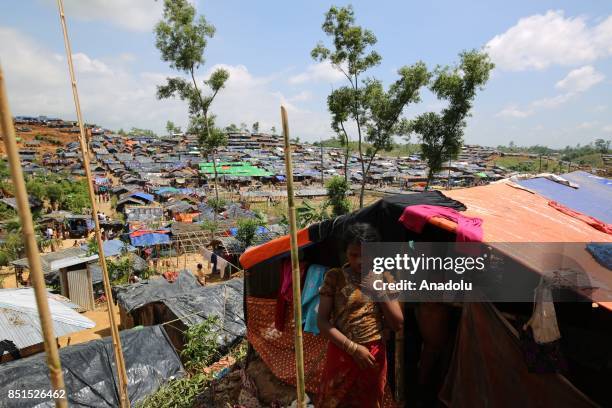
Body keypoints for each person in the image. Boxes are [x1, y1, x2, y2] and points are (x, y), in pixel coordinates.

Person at [317, 223, 403, 407]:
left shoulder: (384, 277)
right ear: (345, 254)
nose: (359, 261)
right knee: (334, 401)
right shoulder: (335, 277)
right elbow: (322, 322)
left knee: (368, 402)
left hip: (372, 356)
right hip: (342, 352)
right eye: (353, 255)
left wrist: (378, 291)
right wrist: (354, 349)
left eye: (365, 255)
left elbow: (397, 323)